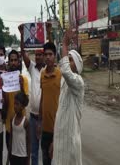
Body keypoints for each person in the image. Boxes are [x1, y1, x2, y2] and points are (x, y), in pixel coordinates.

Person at [52, 30, 85, 165]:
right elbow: (60, 117)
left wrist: (64, 44)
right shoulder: (64, 82)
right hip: (60, 144)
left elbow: (65, 70)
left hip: (70, 145)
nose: (67, 62)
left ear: (76, 66)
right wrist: (54, 142)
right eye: (68, 58)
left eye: (70, 60)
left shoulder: (78, 82)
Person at [19, 25, 45, 165]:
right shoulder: (32, 68)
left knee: (47, 151)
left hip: (46, 118)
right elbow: (23, 53)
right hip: (34, 117)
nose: (39, 56)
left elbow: (51, 48)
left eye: (42, 54)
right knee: (34, 151)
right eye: (38, 54)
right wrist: (23, 35)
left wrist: (50, 31)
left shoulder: (49, 70)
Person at [38, 42, 61, 165]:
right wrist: (39, 122)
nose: (47, 57)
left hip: (58, 129)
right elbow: (42, 98)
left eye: (50, 54)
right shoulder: (42, 74)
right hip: (45, 129)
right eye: (45, 54)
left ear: (55, 56)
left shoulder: (61, 75)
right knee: (46, 160)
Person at [3, 50, 29, 151]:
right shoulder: (5, 80)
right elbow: (5, 105)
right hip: (9, 126)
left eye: (15, 60)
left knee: (21, 156)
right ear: (8, 62)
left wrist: (22, 86)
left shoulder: (24, 79)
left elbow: (26, 102)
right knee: (11, 155)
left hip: (21, 126)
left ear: (18, 62)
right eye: (11, 60)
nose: (13, 62)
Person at [8, 92, 30, 165]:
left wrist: (28, 160)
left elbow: (28, 142)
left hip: (23, 156)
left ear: (22, 106)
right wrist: (8, 157)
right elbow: (11, 138)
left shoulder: (26, 122)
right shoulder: (12, 119)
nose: (15, 106)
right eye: (14, 103)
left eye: (17, 104)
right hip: (13, 155)